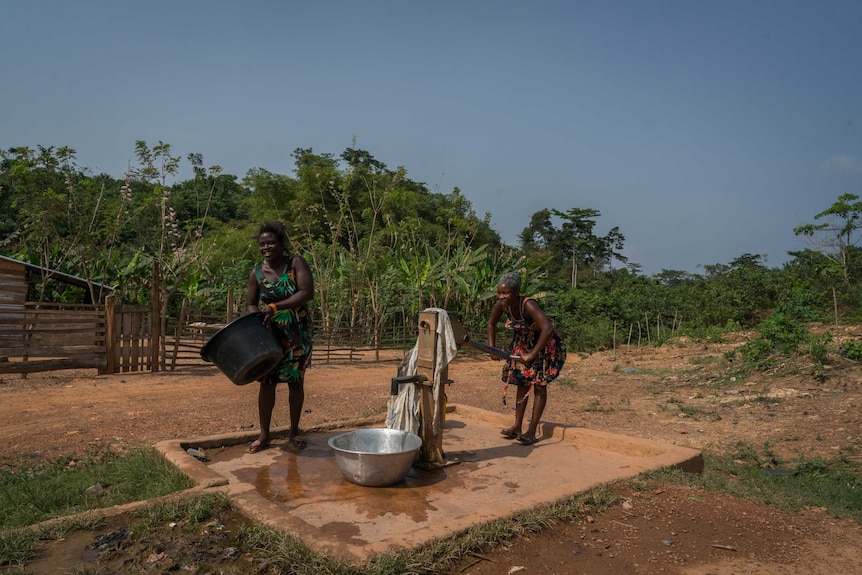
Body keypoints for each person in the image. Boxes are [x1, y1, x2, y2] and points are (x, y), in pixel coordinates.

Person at [245, 221, 314, 452]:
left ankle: (294, 432)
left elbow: (306, 292)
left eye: (271, 242)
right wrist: (258, 325)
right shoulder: (256, 273)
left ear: (281, 245)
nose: (266, 247)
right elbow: (251, 303)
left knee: (295, 382)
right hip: (270, 337)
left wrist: (275, 307)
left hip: (296, 334)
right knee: (266, 384)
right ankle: (264, 435)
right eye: (262, 244)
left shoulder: (295, 263)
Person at [487, 271, 566, 445]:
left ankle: (531, 431)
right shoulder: (502, 305)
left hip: (543, 346)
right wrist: (491, 347)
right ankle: (517, 426)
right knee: (522, 383)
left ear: (516, 291)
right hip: (522, 345)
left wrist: (532, 354)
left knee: (539, 385)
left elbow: (547, 328)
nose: (502, 296)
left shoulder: (528, 304)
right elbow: (491, 324)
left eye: (506, 292)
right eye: (499, 292)